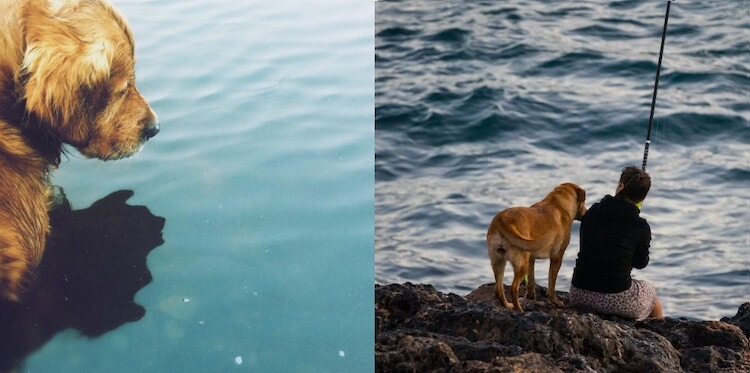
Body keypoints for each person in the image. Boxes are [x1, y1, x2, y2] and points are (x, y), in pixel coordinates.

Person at [568, 166, 662, 320]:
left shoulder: (593, 211)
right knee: (652, 296)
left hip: (579, 293)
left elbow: (587, 245)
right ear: (642, 198)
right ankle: (656, 335)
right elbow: (640, 263)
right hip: (614, 297)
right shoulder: (640, 226)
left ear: (620, 187)